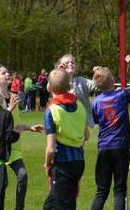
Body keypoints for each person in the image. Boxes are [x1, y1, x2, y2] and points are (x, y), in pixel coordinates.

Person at [0, 65, 44, 210]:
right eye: (3, 73)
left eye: (8, 72)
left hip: (14, 148)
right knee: (1, 186)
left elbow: (15, 123)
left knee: (23, 176)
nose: (8, 74)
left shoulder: (13, 97)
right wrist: (8, 109)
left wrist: (30, 128)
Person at [90, 67, 130, 210]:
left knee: (101, 191)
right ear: (112, 80)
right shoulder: (121, 96)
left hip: (104, 147)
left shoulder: (96, 102)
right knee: (120, 191)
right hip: (121, 147)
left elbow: (97, 120)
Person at [43, 69, 89, 210]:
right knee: (49, 206)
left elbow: (50, 149)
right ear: (69, 86)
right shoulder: (79, 105)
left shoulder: (51, 110)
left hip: (63, 164)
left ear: (49, 87)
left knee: (64, 206)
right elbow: (86, 135)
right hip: (79, 161)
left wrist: (46, 164)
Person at [56, 54, 97, 127]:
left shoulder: (82, 81)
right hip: (67, 124)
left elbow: (99, 84)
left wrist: (99, 73)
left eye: (72, 62)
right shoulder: (58, 82)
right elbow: (49, 86)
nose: (70, 64)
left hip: (84, 124)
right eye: (66, 63)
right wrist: (58, 72)